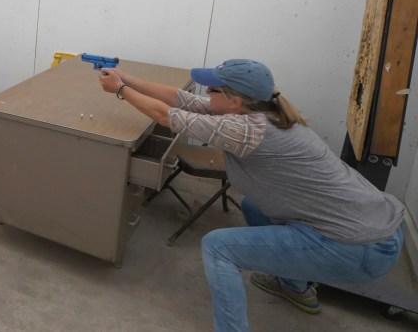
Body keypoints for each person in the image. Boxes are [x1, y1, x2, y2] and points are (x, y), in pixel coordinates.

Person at [98, 59, 405, 332]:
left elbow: (167, 117)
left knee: (218, 248)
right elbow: (182, 99)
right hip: (368, 227)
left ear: (234, 100)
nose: (206, 93)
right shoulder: (260, 109)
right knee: (254, 207)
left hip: (358, 246)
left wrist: (121, 89)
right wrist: (128, 77)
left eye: (213, 89)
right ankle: (295, 287)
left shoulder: (248, 128)